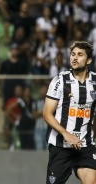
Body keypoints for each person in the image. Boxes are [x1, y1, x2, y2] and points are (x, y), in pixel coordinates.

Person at [43, 41, 96, 184]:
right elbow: (47, 114)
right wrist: (66, 134)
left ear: (89, 60)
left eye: (80, 55)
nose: (75, 58)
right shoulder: (59, 81)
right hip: (61, 146)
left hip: (85, 146)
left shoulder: (95, 83)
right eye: (73, 54)